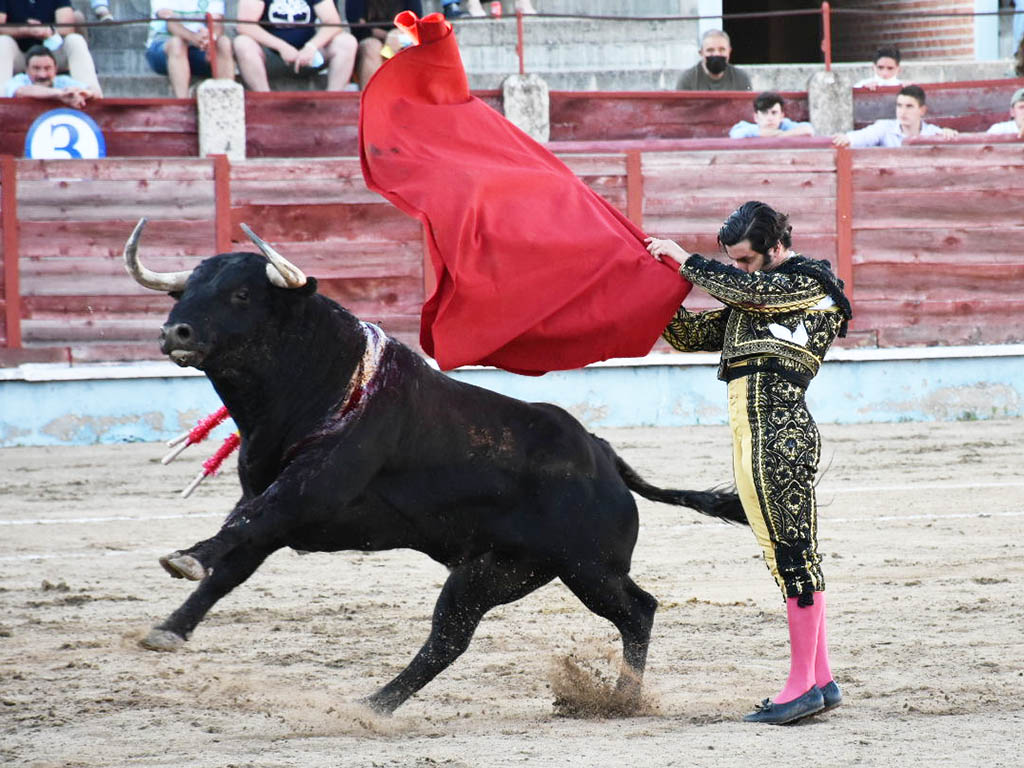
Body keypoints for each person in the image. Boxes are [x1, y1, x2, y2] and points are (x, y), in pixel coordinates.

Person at [645, 201, 851, 725]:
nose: (738, 269)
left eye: (745, 259)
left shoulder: (808, 283)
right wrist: (645, 286)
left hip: (777, 432)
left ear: (776, 248)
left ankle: (801, 685)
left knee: (790, 553)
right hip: (753, 432)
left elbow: (751, 291)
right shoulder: (757, 297)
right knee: (787, 550)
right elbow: (691, 335)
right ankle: (819, 678)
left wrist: (685, 262)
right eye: (732, 261)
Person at [233, 0, 358, 91]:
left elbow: (333, 23)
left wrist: (311, 47)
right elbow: (245, 25)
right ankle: (264, 100)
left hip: (309, 57)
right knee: (242, 43)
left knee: (347, 42)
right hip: (270, 57)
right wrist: (282, 47)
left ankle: (333, 100)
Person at [0, 0, 103, 95]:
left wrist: (47, 30)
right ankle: (2, 98)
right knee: (3, 41)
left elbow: (67, 27)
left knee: (75, 40)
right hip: (20, 56)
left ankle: (89, 93)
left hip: (52, 55)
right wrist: (26, 30)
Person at [145, 0, 235, 98]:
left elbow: (217, 24)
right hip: (163, 47)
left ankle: (226, 100)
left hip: (199, 47)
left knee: (224, 43)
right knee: (177, 43)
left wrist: (211, 39)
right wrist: (193, 38)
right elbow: (171, 23)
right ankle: (183, 103)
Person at [832, 85, 957, 147]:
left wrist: (948, 133)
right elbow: (866, 135)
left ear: (922, 110)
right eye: (899, 106)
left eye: (909, 106)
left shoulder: (933, 132)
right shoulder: (885, 127)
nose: (902, 112)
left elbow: (950, 138)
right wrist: (848, 138)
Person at [345, 0, 421, 90]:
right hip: (368, 39)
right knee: (372, 47)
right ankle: (373, 99)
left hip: (400, 36)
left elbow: (414, 23)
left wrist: (397, 34)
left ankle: (404, 95)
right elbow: (358, 29)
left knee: (403, 45)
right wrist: (388, 35)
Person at [4, 44, 98, 106]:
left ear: (55, 70)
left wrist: (85, 93)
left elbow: (95, 92)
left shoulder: (63, 81)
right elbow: (21, 91)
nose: (42, 75)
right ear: (27, 70)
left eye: (47, 68)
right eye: (36, 68)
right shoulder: (19, 80)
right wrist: (60, 94)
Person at [676, 29, 752, 92]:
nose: (716, 54)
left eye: (722, 50)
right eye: (710, 50)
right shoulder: (688, 79)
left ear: (729, 51)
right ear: (701, 53)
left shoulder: (741, 78)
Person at [729, 92, 814, 139]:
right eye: (764, 113)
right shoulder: (749, 128)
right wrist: (759, 133)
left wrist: (778, 135)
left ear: (781, 116)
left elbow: (808, 129)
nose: (770, 118)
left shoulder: (785, 125)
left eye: (774, 113)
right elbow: (736, 134)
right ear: (756, 117)